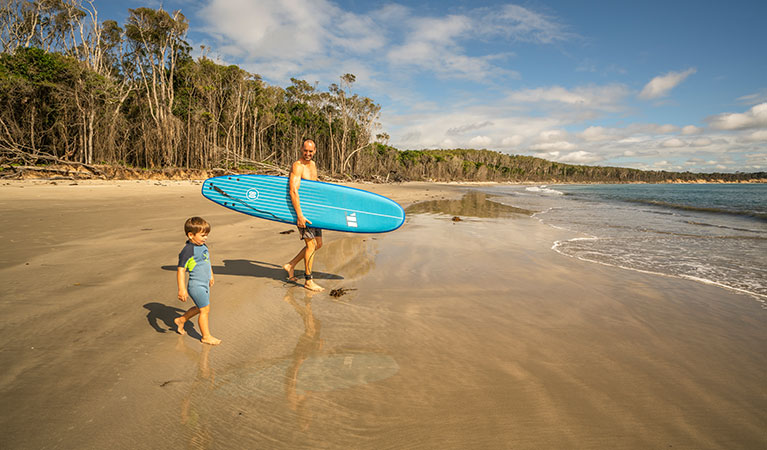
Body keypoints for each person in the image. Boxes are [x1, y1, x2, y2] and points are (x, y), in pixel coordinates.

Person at [283, 139, 325, 292]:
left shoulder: (313, 165)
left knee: (318, 244)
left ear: (315, 151)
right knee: (311, 245)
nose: (308, 154)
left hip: (313, 210)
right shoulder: (297, 166)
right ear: (301, 149)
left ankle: (291, 265)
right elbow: (293, 191)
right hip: (303, 212)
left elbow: (311, 187)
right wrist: (299, 215)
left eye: (311, 151)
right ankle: (308, 280)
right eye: (305, 150)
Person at [174, 216, 222, 345]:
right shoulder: (188, 250)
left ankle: (181, 320)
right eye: (202, 235)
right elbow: (181, 270)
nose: (205, 238)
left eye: (206, 235)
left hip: (205, 283)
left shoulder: (203, 246)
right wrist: (182, 289)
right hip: (196, 285)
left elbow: (207, 261)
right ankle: (206, 336)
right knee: (205, 310)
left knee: (199, 308)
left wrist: (211, 275)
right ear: (191, 235)